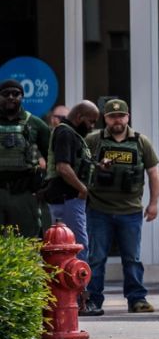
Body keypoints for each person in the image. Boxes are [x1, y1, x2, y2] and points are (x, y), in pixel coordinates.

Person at [81, 99, 159, 316]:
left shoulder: (141, 142)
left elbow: (153, 174)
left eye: (121, 116)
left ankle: (137, 299)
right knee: (96, 258)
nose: (117, 120)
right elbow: (79, 164)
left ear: (128, 117)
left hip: (130, 210)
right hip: (99, 210)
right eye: (112, 116)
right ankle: (93, 300)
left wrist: (153, 204)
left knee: (132, 258)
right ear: (105, 119)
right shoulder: (93, 140)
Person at [44, 101, 100, 258]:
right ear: (79, 116)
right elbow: (63, 167)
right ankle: (77, 283)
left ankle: (72, 282)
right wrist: (82, 189)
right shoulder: (65, 133)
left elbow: (76, 164)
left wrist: (98, 165)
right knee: (76, 249)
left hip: (69, 199)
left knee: (69, 248)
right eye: (91, 121)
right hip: (67, 199)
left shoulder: (72, 134)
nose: (92, 126)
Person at [0, 79, 51, 238]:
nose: (11, 97)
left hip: (24, 192)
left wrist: (45, 186)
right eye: (5, 94)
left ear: (22, 97)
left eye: (16, 94)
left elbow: (53, 158)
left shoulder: (36, 124)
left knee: (26, 242)